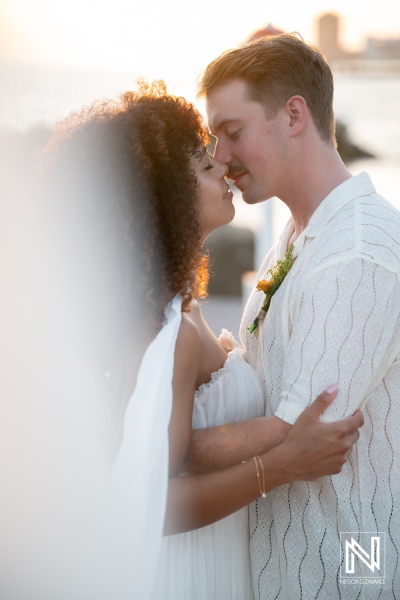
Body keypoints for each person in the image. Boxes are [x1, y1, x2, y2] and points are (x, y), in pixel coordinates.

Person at [17, 81, 362, 600]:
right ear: (167, 203)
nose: (223, 167)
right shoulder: (167, 331)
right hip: (186, 574)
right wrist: (282, 464)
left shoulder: (177, 307)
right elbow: (153, 504)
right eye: (204, 166)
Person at [196, 33, 400, 598]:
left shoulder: (357, 251)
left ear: (293, 115)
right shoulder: (299, 235)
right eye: (215, 138)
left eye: (232, 132)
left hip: (344, 572)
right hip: (287, 565)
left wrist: (168, 446)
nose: (222, 156)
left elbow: (293, 432)